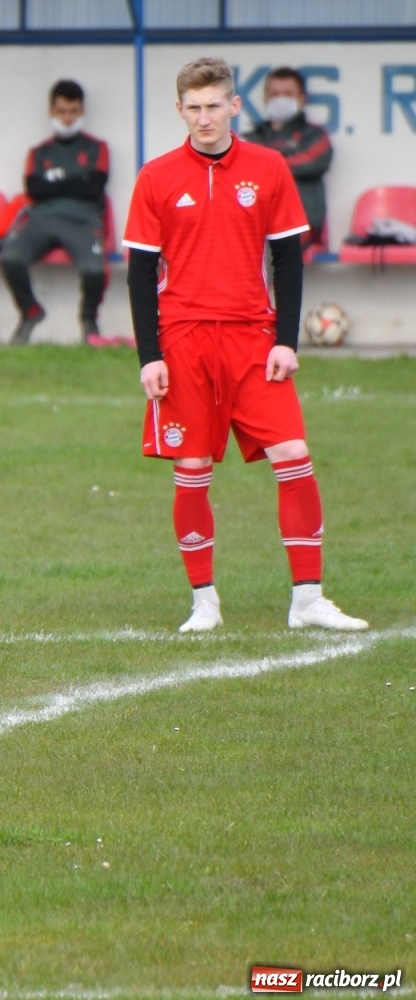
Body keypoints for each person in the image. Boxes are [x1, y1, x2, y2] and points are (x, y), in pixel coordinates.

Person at [122, 57, 365, 634]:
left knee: (293, 456)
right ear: (179, 110)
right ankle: (204, 602)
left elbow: (287, 258)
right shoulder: (156, 177)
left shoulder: (268, 166)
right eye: (194, 107)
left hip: (254, 340)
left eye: (215, 106)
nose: (204, 118)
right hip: (182, 342)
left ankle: (308, 598)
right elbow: (139, 273)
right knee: (192, 466)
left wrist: (285, 340)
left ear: (234, 107)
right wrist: (149, 355)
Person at [0, 80, 113, 345]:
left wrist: (55, 182)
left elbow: (95, 188)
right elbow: (34, 189)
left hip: (83, 220)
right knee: (10, 258)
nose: (68, 117)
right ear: (52, 111)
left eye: (73, 111)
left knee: (95, 271)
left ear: (81, 110)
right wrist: (76, 180)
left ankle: (88, 320)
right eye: (62, 111)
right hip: (42, 219)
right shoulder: (39, 152)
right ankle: (30, 311)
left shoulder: (97, 148)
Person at [245, 67, 333, 252]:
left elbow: (311, 162)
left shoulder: (315, 136)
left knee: (271, 240)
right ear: (266, 98)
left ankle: (273, 282)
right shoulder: (251, 137)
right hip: (255, 220)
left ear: (302, 98)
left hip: (301, 221)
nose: (280, 99)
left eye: (287, 93)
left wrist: (264, 163)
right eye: (275, 93)